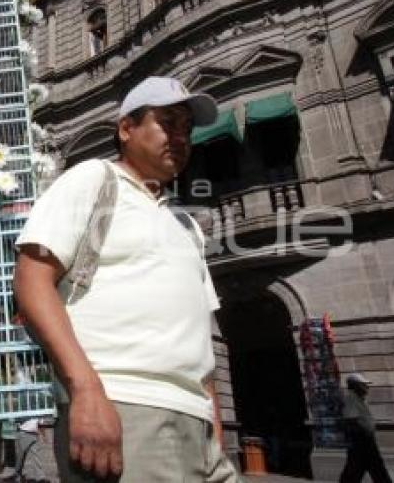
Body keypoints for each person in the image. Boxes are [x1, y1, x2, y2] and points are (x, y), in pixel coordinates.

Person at [14, 76, 239, 482]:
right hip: (125, 408)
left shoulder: (188, 226)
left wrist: (215, 429)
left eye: (187, 128)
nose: (181, 136)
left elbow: (199, 337)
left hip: (198, 429)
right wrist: (85, 391)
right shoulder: (94, 180)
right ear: (126, 129)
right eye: (167, 122)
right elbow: (31, 281)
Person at [339, 373, 392, 483]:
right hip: (362, 441)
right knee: (367, 469)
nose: (367, 387)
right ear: (355, 386)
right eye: (363, 385)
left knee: (368, 469)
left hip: (364, 441)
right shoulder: (351, 399)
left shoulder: (358, 399)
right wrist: (363, 435)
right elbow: (351, 420)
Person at [7, 417, 47, 483]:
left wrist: (43, 435)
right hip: (26, 432)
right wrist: (44, 435)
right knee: (22, 456)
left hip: (32, 433)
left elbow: (41, 422)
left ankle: (40, 477)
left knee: (33, 456)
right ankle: (18, 475)